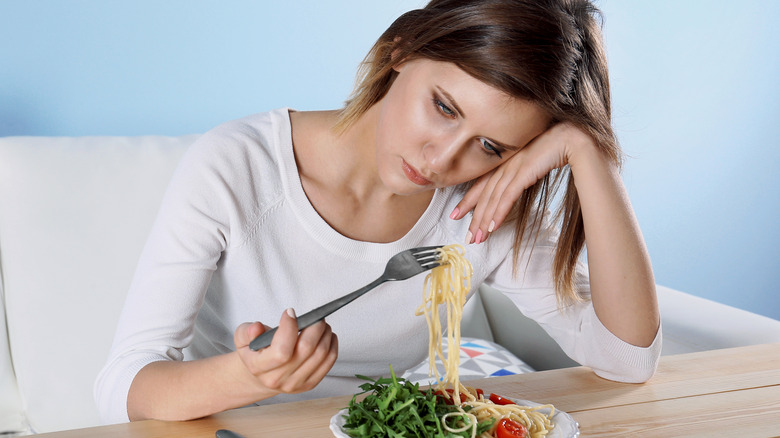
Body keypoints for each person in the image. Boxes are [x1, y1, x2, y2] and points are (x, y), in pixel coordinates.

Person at [95, 0, 661, 424]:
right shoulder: (238, 166)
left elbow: (628, 359)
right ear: (401, 51)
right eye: (444, 107)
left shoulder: (481, 210)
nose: (442, 159)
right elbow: (124, 385)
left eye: (491, 146)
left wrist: (590, 152)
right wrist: (251, 376)